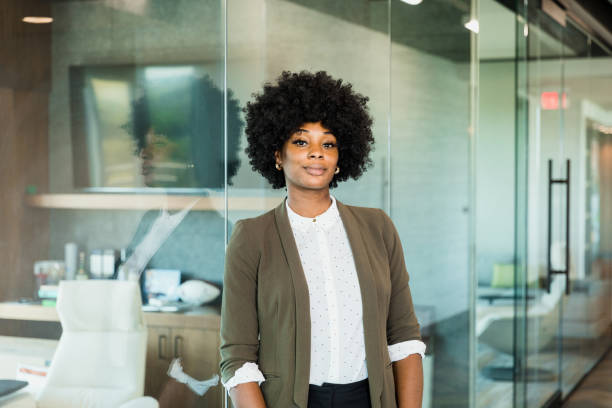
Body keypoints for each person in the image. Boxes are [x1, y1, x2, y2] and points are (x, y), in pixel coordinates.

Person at [219, 71, 425, 408]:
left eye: (328, 143)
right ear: (276, 154)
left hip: (370, 399)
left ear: (340, 158)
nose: (317, 153)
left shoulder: (378, 227)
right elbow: (237, 356)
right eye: (301, 142)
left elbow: (404, 336)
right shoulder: (252, 238)